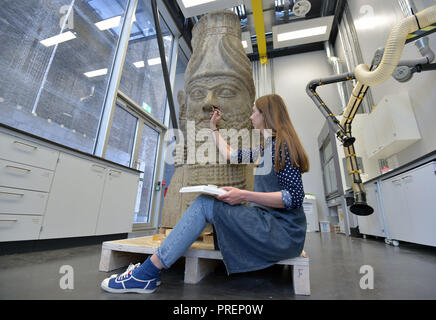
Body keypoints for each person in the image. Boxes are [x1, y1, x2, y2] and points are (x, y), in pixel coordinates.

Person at [101, 93, 309, 294]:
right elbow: (230, 155)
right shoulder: (266, 148)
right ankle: (148, 271)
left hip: (282, 235)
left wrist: (244, 195)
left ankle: (146, 273)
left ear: (266, 115)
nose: (251, 116)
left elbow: (293, 198)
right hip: (272, 227)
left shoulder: (282, 147)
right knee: (210, 202)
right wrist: (213, 128)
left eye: (255, 112)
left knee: (204, 203)